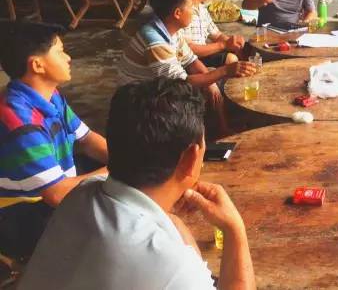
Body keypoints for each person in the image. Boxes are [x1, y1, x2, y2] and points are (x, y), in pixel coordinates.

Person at [19, 78, 256, 289]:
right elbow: (174, 267)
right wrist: (234, 229)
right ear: (192, 158)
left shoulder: (83, 192)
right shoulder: (170, 267)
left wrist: (171, 212)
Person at [0, 22, 108, 260]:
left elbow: (87, 139)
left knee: (122, 171)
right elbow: (57, 194)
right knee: (109, 231)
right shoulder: (19, 121)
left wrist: (129, 158)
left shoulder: (50, 96)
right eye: (60, 52)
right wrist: (121, 169)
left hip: (50, 189)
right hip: (21, 214)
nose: (68, 58)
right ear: (37, 65)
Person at [119, 0, 256, 137]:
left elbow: (191, 60)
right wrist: (224, 71)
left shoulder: (172, 29)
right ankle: (198, 139)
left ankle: (221, 128)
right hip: (140, 99)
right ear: (177, 13)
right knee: (200, 90)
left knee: (214, 81)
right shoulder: (155, 42)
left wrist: (211, 81)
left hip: (160, 84)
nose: (193, 11)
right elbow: (181, 84)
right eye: (191, 7)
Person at [178, 0, 246, 66]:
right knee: (231, 59)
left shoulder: (202, 8)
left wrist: (234, 43)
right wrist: (223, 45)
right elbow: (189, 49)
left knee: (245, 50)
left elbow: (217, 35)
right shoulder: (183, 11)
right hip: (190, 61)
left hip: (203, 56)